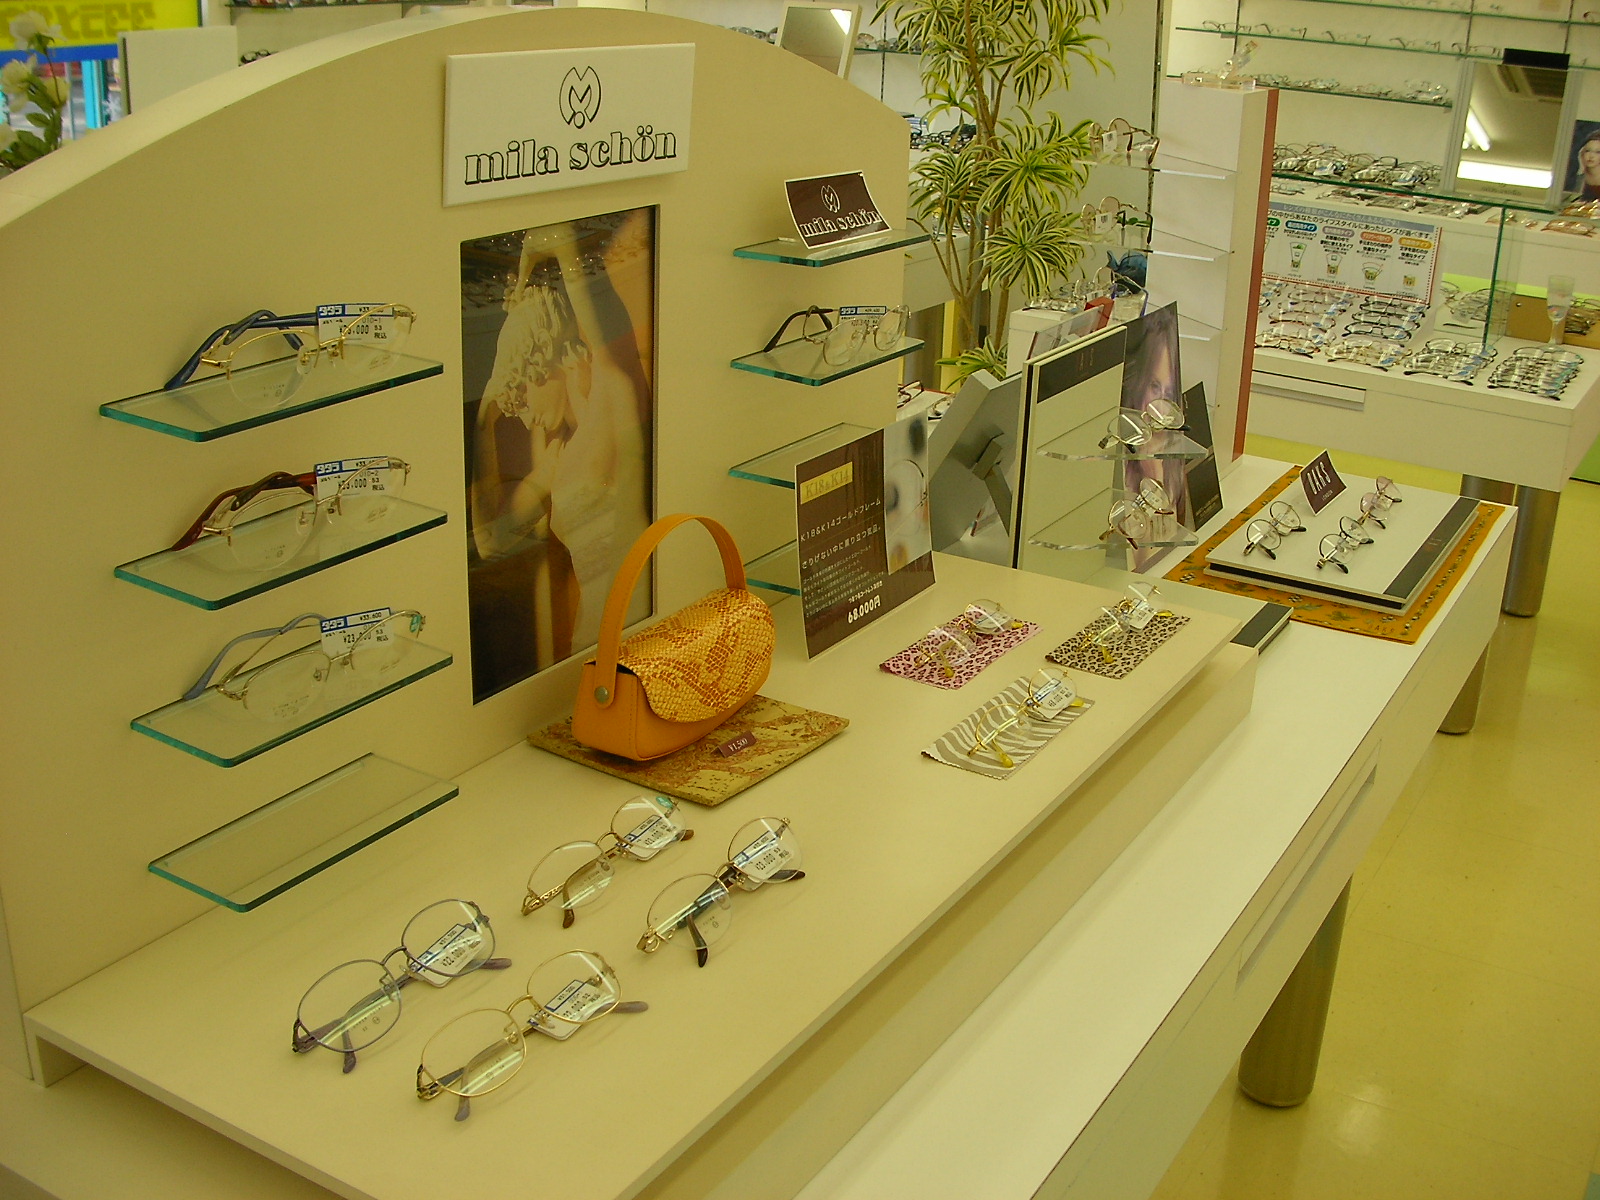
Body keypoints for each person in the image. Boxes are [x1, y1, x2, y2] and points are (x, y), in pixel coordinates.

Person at [469, 212, 653, 692]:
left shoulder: (612, 401)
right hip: (588, 642)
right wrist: (483, 423)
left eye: (520, 393)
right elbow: (490, 543)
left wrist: (559, 251)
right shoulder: (556, 458)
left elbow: (607, 346)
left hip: (634, 626)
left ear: (546, 362)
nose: (522, 414)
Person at [1572, 129, 1600, 201]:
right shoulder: (1579, 176)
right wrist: (1581, 170)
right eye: (1587, 151)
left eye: (1597, 152)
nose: (1591, 156)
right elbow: (1575, 200)